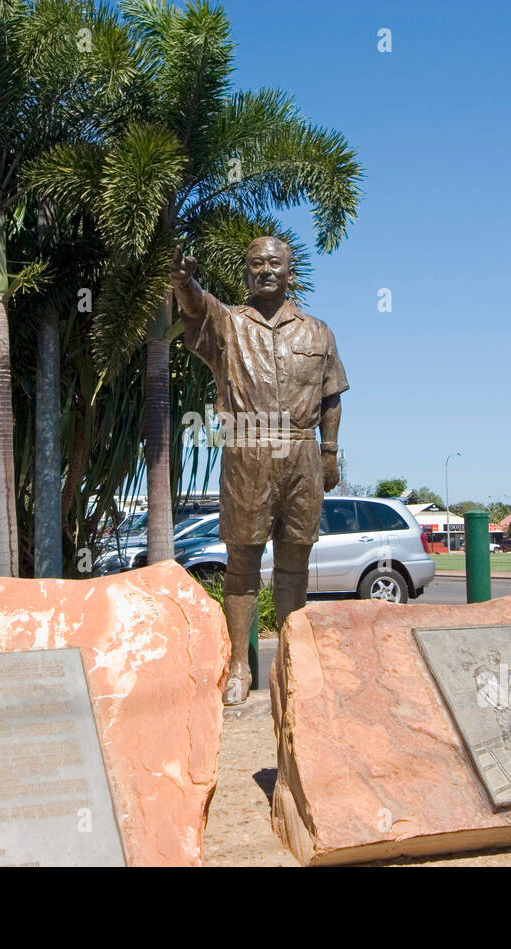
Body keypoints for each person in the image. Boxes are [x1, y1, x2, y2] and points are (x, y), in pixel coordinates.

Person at [171, 238, 348, 704]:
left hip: (302, 453)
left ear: (290, 271)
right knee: (243, 561)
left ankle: (290, 661)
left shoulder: (318, 332)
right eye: (256, 264)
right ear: (246, 273)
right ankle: (237, 668)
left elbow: (332, 397)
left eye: (275, 263)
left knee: (295, 560)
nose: (266, 270)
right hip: (247, 449)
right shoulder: (228, 324)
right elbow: (196, 309)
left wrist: (329, 453)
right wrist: (184, 280)